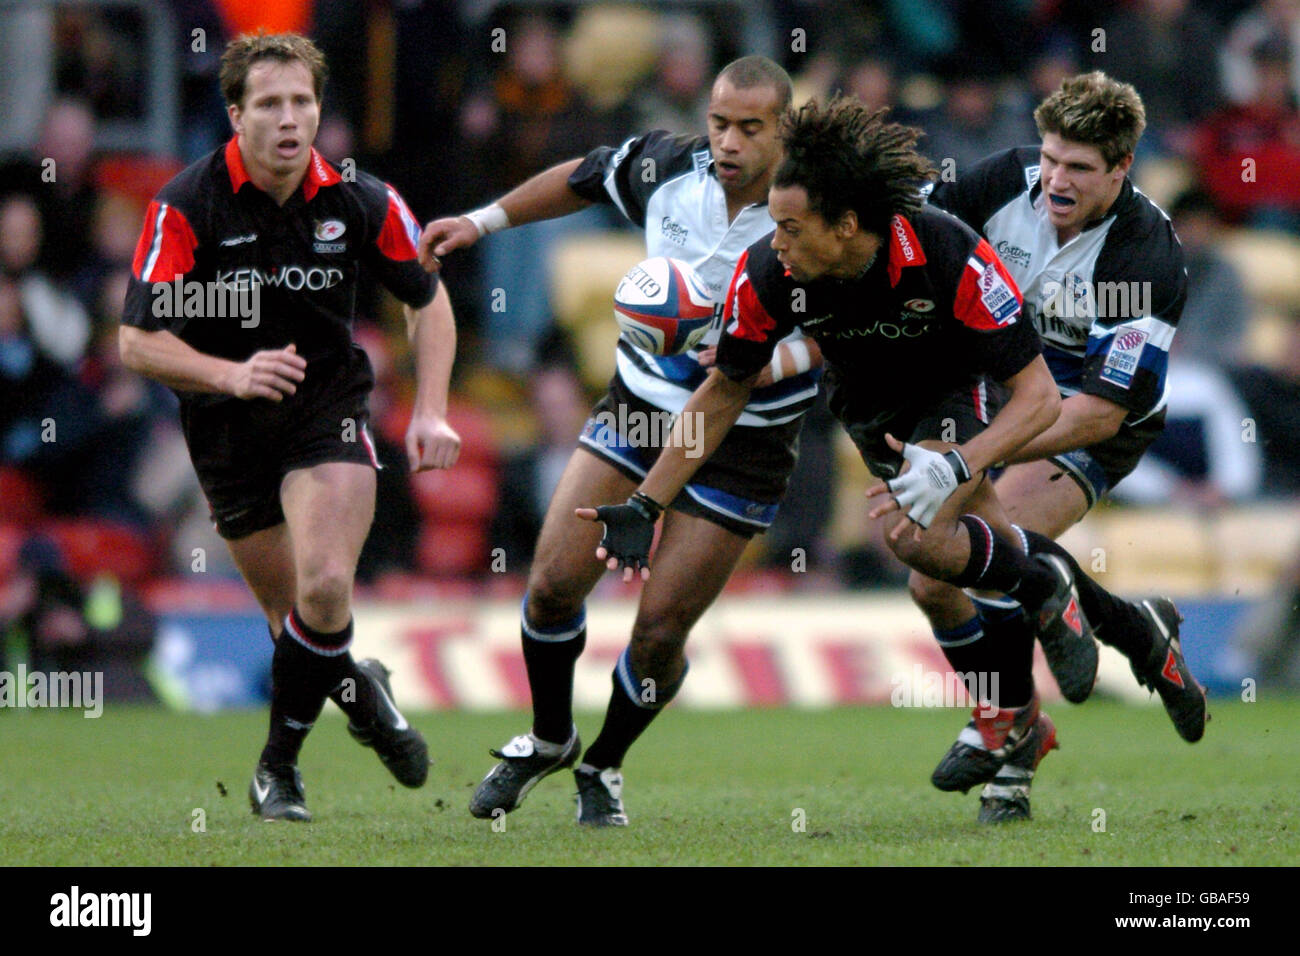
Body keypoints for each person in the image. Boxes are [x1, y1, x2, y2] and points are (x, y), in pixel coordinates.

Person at [578, 95, 1096, 826]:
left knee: (915, 540)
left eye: (790, 227)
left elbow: (1040, 399)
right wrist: (646, 503)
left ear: (847, 226)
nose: (775, 239)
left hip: (950, 391)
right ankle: (1028, 664)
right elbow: (722, 392)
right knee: (937, 579)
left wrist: (957, 465)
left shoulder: (946, 250)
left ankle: (1013, 702)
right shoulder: (769, 272)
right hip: (867, 410)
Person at [419, 56, 822, 827]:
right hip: (639, 408)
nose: (729, 142)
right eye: (719, 123)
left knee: (660, 629)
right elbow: (580, 176)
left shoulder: (818, 204)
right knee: (551, 584)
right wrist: (481, 220)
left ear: (785, 129)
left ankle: (604, 765)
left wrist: (783, 358)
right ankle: (548, 737)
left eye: (750, 128)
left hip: (746, 435)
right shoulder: (668, 168)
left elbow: (859, 310)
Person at [119, 33, 461, 821]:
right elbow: (135, 339)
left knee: (325, 584)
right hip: (227, 431)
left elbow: (428, 298)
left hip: (325, 412)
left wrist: (435, 406)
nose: (289, 119)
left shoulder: (360, 198)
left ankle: (278, 770)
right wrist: (229, 375)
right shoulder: (185, 205)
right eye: (270, 103)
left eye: (302, 102)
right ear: (236, 114)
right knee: (298, 629)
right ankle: (361, 692)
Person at [916, 71, 1208, 821]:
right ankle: (1132, 632)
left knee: (987, 544)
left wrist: (971, 454)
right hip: (1000, 392)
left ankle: (1011, 753)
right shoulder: (1002, 181)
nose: (1055, 179)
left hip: (1091, 417)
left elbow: (1100, 411)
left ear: (1122, 168)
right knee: (931, 578)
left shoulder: (1145, 255)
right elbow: (918, 249)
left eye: (1079, 167)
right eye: (1050, 159)